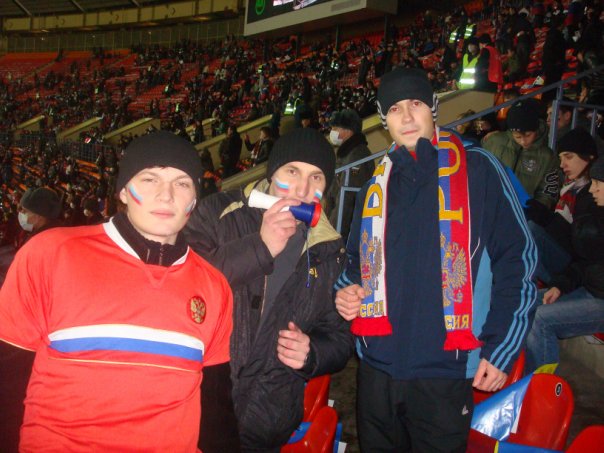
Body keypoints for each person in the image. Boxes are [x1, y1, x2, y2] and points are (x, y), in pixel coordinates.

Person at [334, 68, 536, 452]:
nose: (407, 117)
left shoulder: (478, 169)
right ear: (384, 119)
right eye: (395, 109)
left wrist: (501, 348)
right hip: (376, 369)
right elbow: (353, 266)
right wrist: (346, 293)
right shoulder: (374, 187)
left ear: (434, 107)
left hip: (446, 371)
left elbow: (518, 260)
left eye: (416, 104)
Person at [0, 131, 238, 452]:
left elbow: (216, 410)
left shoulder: (215, 286)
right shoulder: (50, 254)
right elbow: (7, 381)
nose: (166, 195)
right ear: (124, 191)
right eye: (150, 179)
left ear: (195, 197)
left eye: (182, 183)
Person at [184, 128, 354, 452]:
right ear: (272, 172)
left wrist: (312, 353)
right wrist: (260, 247)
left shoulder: (329, 249)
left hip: (265, 423)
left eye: (316, 177)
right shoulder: (218, 212)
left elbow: (340, 338)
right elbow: (186, 287)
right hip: (199, 411)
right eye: (292, 171)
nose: (302, 188)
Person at [525, 155, 604, 373]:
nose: (592, 189)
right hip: (589, 290)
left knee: (541, 319)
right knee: (526, 302)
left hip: (599, 299)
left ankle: (542, 385)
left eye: (598, 184)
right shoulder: (597, 212)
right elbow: (584, 264)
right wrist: (560, 286)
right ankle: (521, 374)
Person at [527, 128, 599, 283]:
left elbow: (582, 245)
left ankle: (553, 286)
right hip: (568, 258)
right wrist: (545, 217)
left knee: (531, 231)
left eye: (569, 157)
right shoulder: (570, 187)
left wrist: (548, 220)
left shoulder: (596, 194)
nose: (562, 164)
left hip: (578, 270)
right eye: (560, 158)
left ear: (589, 157)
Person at [482, 99, 560, 209]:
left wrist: (535, 211)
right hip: (490, 208)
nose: (523, 141)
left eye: (528, 135)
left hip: (524, 213)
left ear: (536, 129)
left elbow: (548, 192)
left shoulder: (548, 157)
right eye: (518, 137)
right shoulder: (495, 142)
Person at [325, 109, 374, 241]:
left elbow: (347, 197)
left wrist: (333, 231)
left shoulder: (357, 155)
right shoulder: (345, 154)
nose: (332, 132)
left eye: (336, 128)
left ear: (348, 131)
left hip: (350, 229)